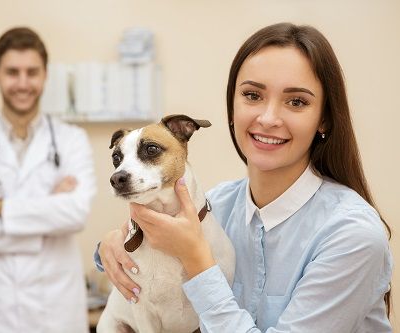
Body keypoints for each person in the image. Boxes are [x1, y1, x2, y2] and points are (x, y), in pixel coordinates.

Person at [97, 23, 393, 332]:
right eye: (252, 95)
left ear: (324, 120)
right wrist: (112, 244)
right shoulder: (218, 206)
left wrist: (196, 259)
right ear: (232, 108)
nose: (267, 118)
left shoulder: (352, 237)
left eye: (296, 102)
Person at [0, 27, 96, 332]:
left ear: (45, 75)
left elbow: (76, 214)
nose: (23, 83)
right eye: (13, 72)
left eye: (32, 72)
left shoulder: (72, 141)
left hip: (55, 308)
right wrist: (48, 212)